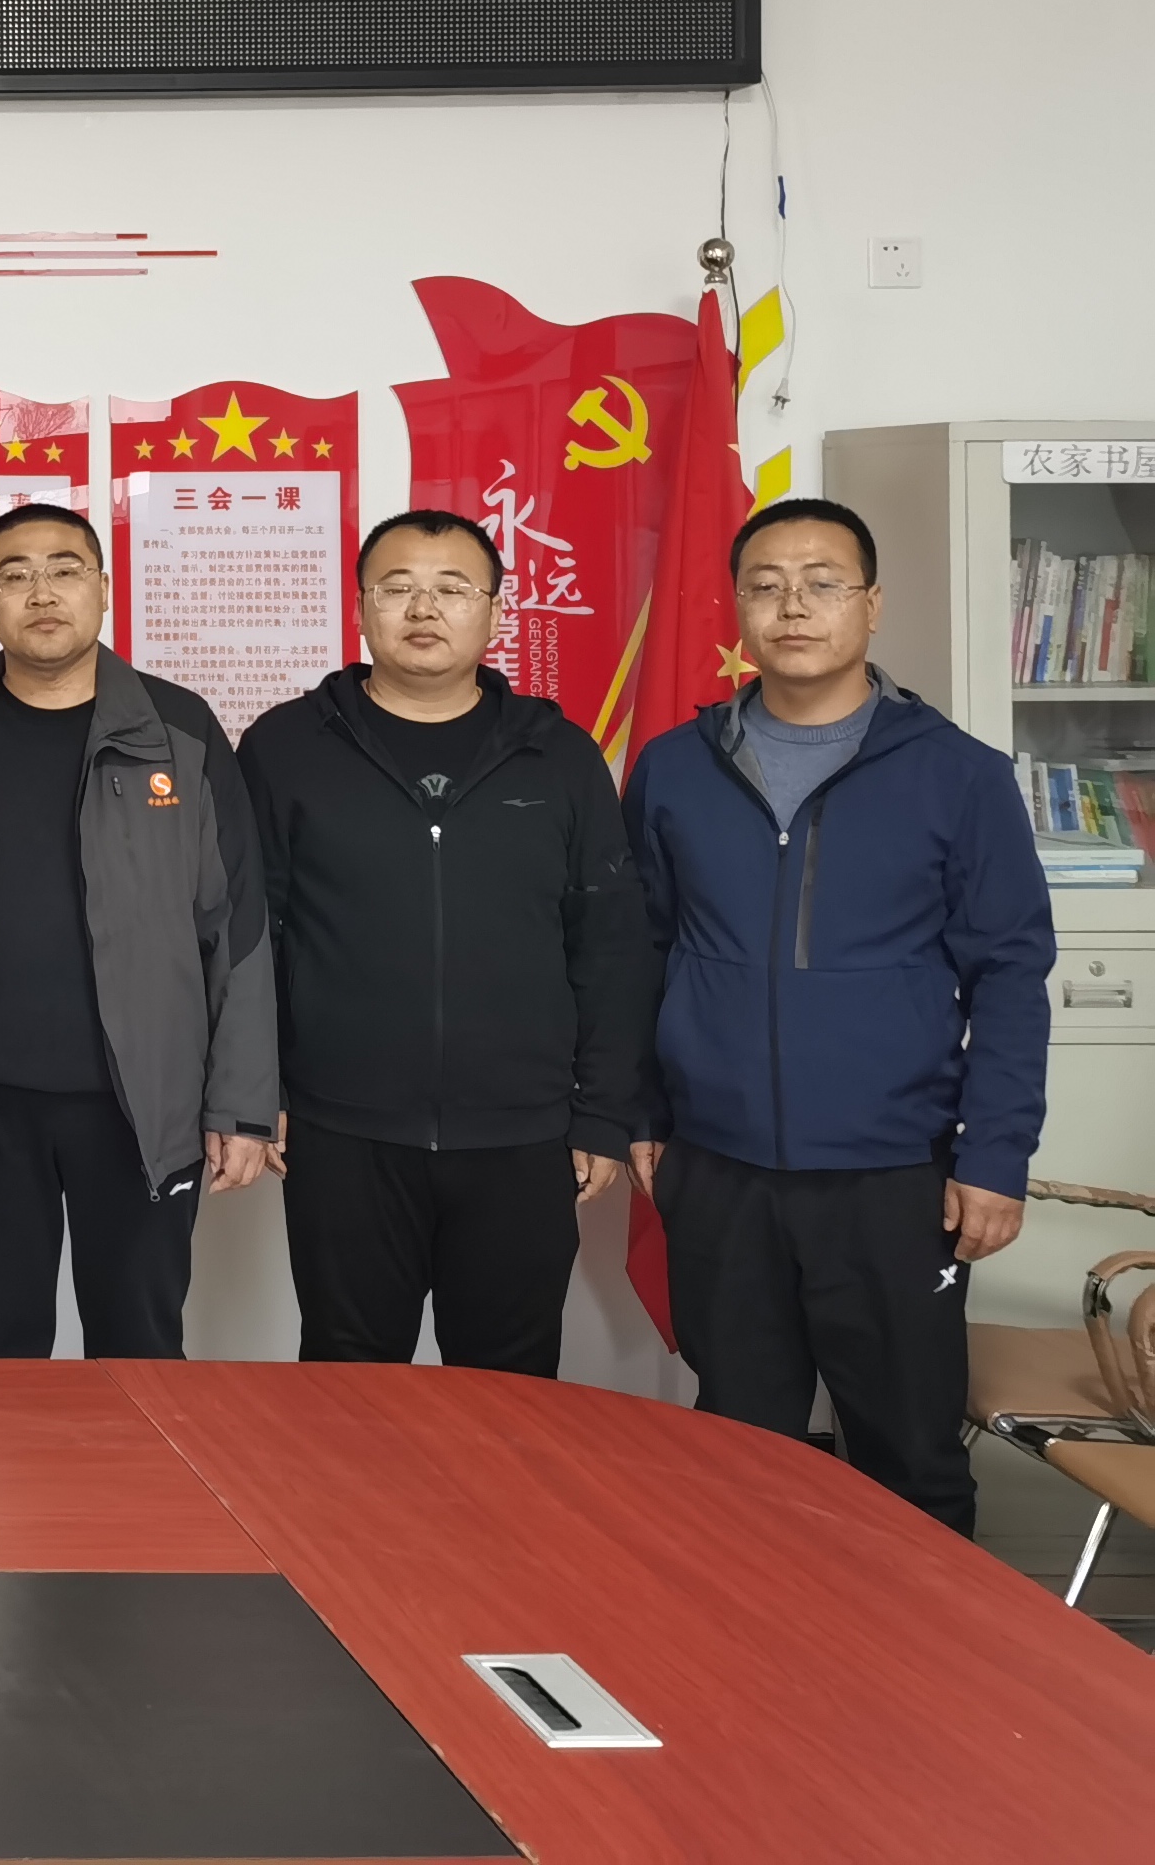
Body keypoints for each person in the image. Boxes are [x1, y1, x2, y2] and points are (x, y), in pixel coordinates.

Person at [625, 495, 1055, 1535]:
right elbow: (641, 950)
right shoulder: (675, 767)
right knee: (739, 1448)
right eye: (766, 587)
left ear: (871, 604)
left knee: (910, 1455)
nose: (793, 608)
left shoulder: (959, 775)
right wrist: (643, 1113)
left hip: (892, 1174)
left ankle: (924, 1641)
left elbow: (1009, 972)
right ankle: (753, 1632)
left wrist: (995, 1155)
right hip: (719, 1167)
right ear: (738, 607)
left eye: (822, 584)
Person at [238, 508, 656, 1377]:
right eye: (397, 588)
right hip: (341, 1127)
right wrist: (256, 1088)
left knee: (509, 1385)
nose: (423, 609)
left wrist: (604, 1113)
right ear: (361, 606)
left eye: (452, 589)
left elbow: (611, 945)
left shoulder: (560, 757)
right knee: (349, 1376)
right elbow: (251, 933)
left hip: (524, 1134)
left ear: (495, 612)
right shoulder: (285, 747)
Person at [0, 501, 275, 1358]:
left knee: (141, 1345)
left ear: (105, 589)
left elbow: (236, 928)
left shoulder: (180, 733)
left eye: (65, 569)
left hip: (144, 1104)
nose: (41, 592)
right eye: (14, 575)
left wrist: (241, 1104)